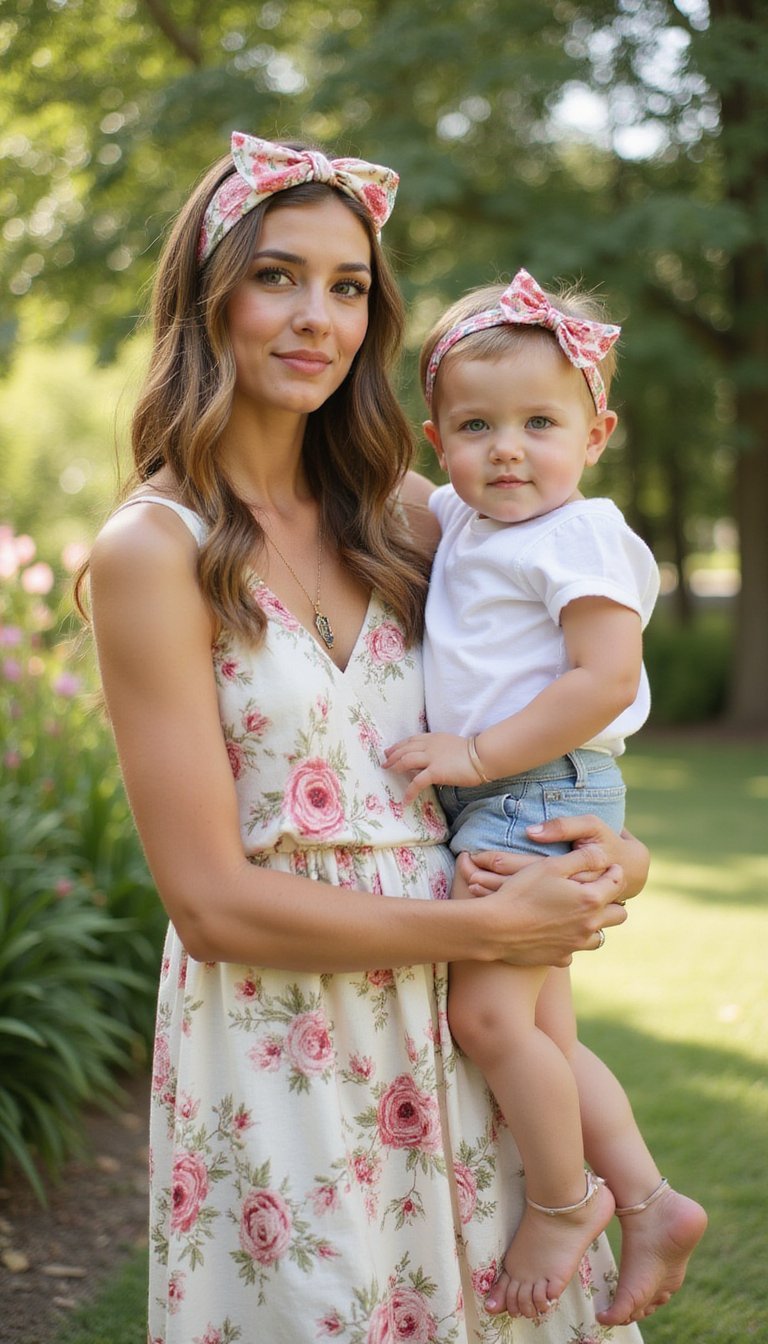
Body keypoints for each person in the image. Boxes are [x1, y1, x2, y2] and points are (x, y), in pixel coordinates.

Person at [82, 132, 653, 1344]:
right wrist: (487, 926)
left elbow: (547, 702)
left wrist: (614, 855)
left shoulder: (407, 513)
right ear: (207, 295)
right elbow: (211, 905)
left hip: (455, 1030)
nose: (317, 319)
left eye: (348, 288)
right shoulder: (151, 552)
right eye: (277, 276)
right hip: (282, 1042)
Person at [385, 270, 707, 1325]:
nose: (508, 449)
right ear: (439, 441)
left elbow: (604, 679)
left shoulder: (580, 532)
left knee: (486, 1015)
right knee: (548, 1035)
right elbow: (363, 475)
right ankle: (653, 1200)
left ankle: (567, 1202)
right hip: (510, 792)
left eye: (539, 422)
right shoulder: (465, 518)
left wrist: (473, 755)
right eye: (476, 426)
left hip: (540, 789)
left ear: (597, 431)